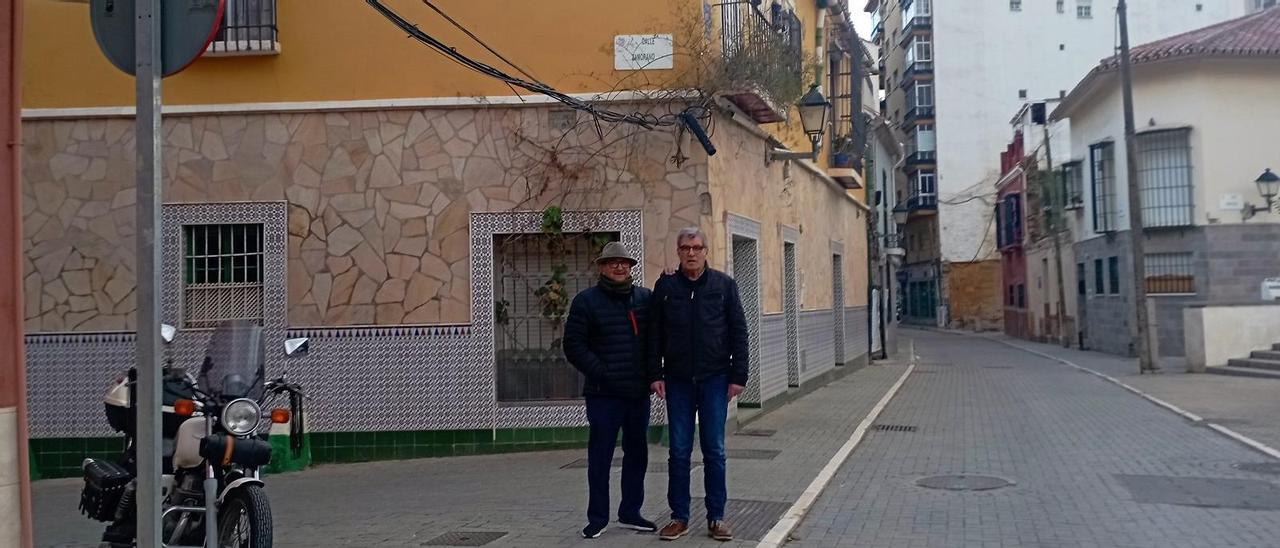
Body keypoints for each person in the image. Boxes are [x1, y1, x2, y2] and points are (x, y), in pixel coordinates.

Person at [647, 227, 749, 542]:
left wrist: (738, 377)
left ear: (706, 250)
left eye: (696, 247)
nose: (691, 253)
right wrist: (655, 374)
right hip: (677, 380)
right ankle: (679, 517)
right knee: (678, 451)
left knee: (714, 451)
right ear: (678, 252)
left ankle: (716, 518)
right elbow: (654, 334)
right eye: (685, 248)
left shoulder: (724, 286)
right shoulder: (665, 287)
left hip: (715, 379)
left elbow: (739, 331)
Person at [563, 241, 659, 539]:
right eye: (612, 262)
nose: (619, 266)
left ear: (631, 267)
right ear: (602, 267)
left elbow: (657, 340)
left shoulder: (645, 299)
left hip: (637, 394)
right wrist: (603, 374)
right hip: (603, 394)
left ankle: (630, 512)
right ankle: (598, 517)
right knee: (600, 456)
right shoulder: (585, 302)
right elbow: (574, 346)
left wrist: (652, 376)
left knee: (637, 453)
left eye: (624, 262)